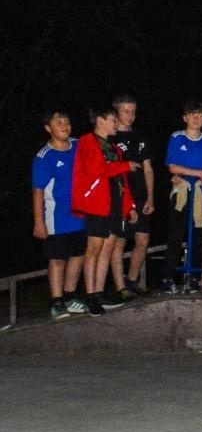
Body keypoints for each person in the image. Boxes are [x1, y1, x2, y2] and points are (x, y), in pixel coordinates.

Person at [72, 105, 137, 315]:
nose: (116, 124)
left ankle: (99, 293)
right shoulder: (86, 142)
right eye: (113, 120)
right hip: (96, 204)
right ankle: (90, 295)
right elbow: (96, 170)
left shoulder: (114, 148)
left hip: (115, 204)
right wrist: (125, 165)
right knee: (94, 248)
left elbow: (121, 181)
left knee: (108, 248)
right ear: (100, 120)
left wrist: (130, 206)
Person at [32, 109, 88, 320]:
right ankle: (56, 302)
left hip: (80, 214)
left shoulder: (79, 145)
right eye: (59, 123)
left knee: (78, 255)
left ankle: (69, 296)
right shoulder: (44, 157)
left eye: (67, 121)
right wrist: (38, 221)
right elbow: (37, 190)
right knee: (57, 259)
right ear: (48, 128)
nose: (65, 126)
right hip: (55, 218)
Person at [161, 102, 202, 294]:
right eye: (193, 115)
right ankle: (168, 277)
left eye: (200, 115)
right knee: (176, 234)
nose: (196, 118)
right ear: (185, 117)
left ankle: (194, 277)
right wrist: (194, 172)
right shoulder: (177, 138)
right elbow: (172, 167)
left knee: (199, 234)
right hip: (181, 190)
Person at [108, 93, 156, 297]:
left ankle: (133, 279)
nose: (131, 115)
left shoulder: (141, 137)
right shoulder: (109, 139)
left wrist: (150, 197)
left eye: (133, 111)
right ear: (116, 113)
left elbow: (148, 168)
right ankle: (120, 286)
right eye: (126, 111)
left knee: (143, 240)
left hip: (140, 195)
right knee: (119, 241)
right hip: (119, 197)